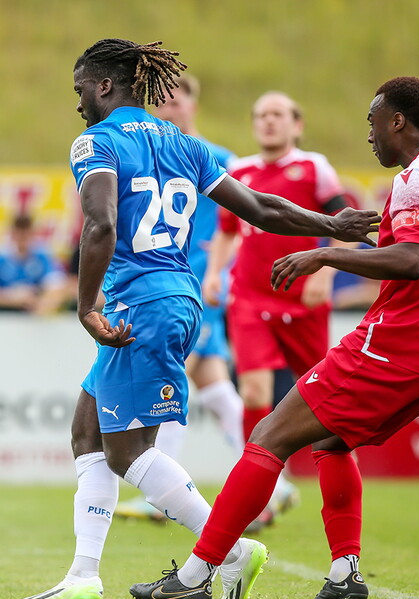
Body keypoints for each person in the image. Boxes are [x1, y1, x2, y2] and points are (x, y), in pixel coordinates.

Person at [15, 38, 379, 599]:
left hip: (141, 307)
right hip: (179, 300)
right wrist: (331, 226)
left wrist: (87, 306)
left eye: (82, 87)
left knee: (128, 452)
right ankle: (84, 573)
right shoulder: (184, 144)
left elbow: (101, 224)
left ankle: (228, 551)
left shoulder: (97, 142)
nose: (79, 99)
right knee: (88, 430)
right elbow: (261, 209)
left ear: (105, 85)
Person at [130, 76, 419, 599]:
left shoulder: (416, 178)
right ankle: (345, 575)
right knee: (331, 443)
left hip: (395, 342)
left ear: (398, 121)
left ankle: (194, 576)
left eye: (374, 123)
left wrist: (323, 256)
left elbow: (411, 261)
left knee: (268, 436)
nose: (369, 135)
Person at [208, 91, 353, 529]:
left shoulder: (314, 167)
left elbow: (344, 221)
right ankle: (264, 495)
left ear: (297, 124)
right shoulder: (239, 170)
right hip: (250, 299)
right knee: (253, 393)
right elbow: (228, 230)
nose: (267, 122)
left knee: (326, 410)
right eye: (260, 116)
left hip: (303, 302)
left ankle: (339, 501)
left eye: (277, 115)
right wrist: (215, 273)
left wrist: (326, 271)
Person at [114, 74, 245, 522]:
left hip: (190, 285)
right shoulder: (148, 152)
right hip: (175, 284)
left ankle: (162, 490)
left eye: (177, 100)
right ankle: (274, 482)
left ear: (193, 105)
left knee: (170, 379)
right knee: (215, 384)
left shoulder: (216, 157)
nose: (169, 108)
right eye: (162, 102)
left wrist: (223, 271)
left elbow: (246, 219)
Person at [0, 211, 66, 314]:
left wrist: (41, 303)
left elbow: (57, 287)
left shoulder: (43, 256)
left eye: (26, 233)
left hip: (32, 317)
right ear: (12, 233)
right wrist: (10, 298)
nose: (22, 237)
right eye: (19, 233)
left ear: (32, 233)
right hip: (1, 318)